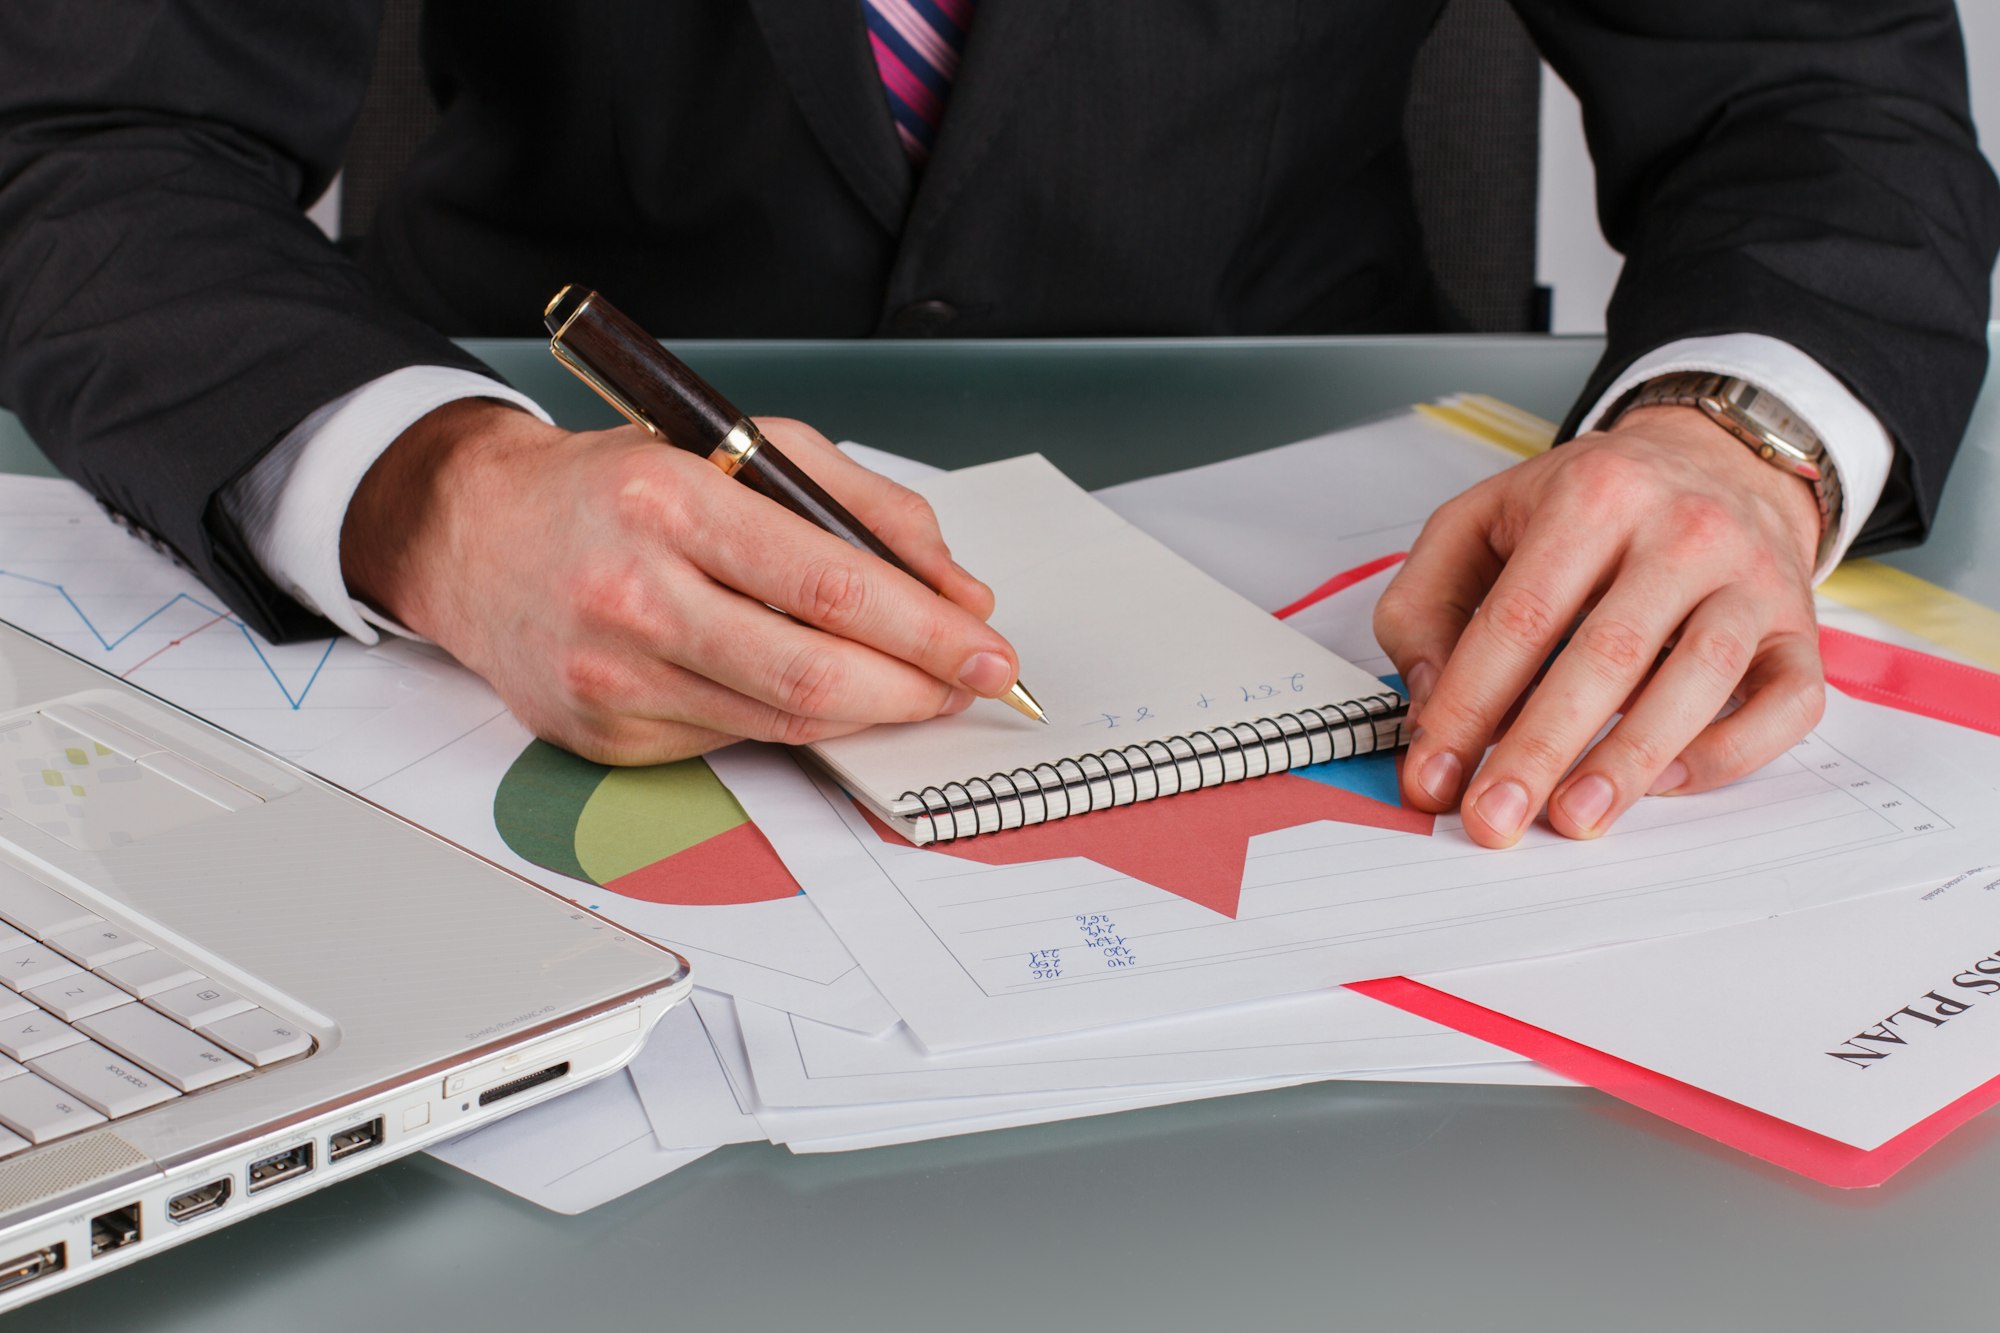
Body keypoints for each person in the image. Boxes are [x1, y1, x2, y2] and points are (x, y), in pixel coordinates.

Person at [0, 1, 1993, 850]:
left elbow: (1809, 96)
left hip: (1314, 494)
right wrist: (438, 492)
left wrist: (1730, 438)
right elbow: (90, 128)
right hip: (548, 520)